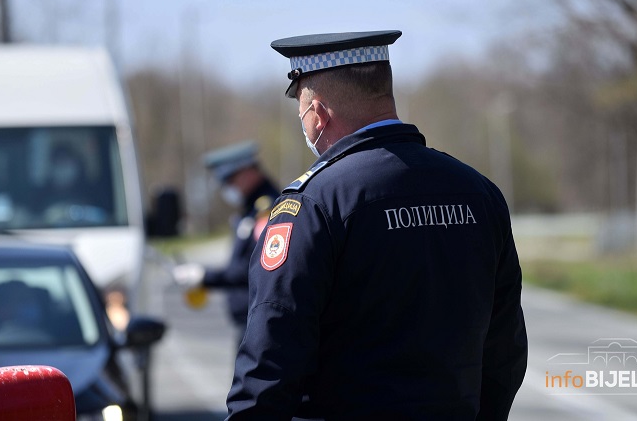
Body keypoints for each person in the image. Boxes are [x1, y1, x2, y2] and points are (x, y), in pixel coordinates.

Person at [226, 30, 528, 420]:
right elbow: (504, 347)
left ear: (317, 113)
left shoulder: (312, 204)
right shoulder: (480, 192)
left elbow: (271, 358)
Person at [174, 141, 280, 344]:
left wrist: (205, 276)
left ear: (248, 172)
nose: (228, 188)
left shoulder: (266, 210)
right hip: (250, 321)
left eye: (230, 180)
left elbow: (257, 267)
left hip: (259, 322)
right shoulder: (251, 209)